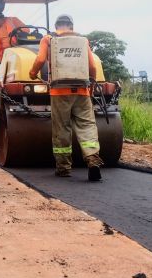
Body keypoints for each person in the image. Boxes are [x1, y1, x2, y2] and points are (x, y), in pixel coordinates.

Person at [28, 14, 103, 181]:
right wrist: (90, 85)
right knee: (87, 126)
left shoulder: (48, 39)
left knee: (62, 129)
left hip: (59, 92)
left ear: (56, 26)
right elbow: (92, 66)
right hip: (82, 91)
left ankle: (63, 168)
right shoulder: (83, 40)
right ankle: (92, 159)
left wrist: (32, 73)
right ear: (71, 26)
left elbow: (40, 59)